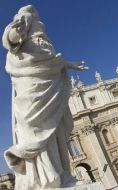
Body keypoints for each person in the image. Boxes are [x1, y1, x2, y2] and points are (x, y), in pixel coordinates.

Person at [2, 5, 87, 189]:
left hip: (49, 85)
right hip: (30, 88)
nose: (41, 39)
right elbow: (9, 39)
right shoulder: (23, 25)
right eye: (38, 34)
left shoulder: (45, 49)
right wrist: (16, 32)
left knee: (53, 130)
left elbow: (55, 61)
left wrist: (70, 64)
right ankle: (41, 176)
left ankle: (55, 173)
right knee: (33, 127)